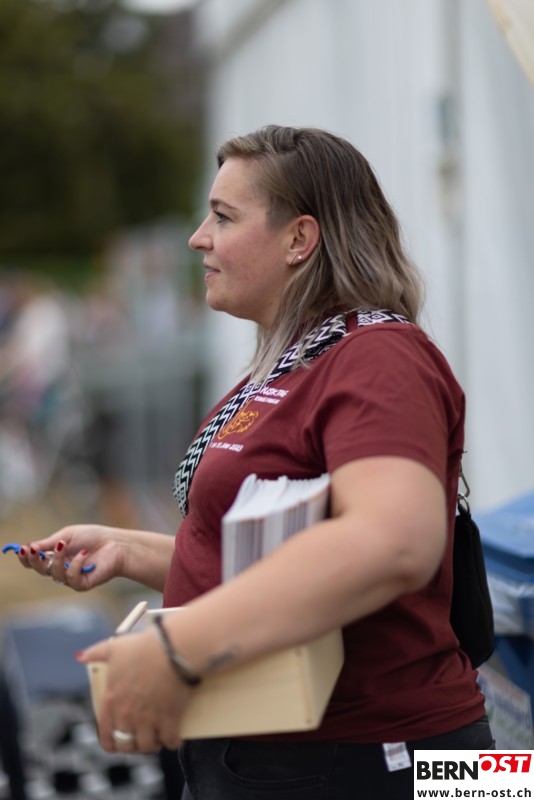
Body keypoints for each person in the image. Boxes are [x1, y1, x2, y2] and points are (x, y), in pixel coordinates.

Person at [11, 125, 493, 799]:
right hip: (292, 756)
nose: (197, 238)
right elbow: (273, 560)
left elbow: (393, 544)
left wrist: (179, 647)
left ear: (299, 239)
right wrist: (133, 550)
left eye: (223, 216)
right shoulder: (295, 359)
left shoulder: (378, 356)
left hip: (388, 760)